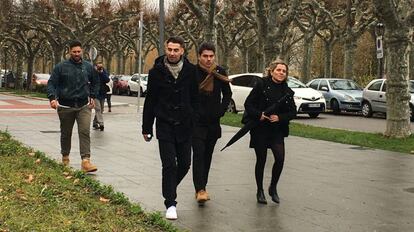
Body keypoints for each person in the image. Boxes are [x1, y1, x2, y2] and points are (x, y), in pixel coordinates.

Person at [142, 36, 199, 220]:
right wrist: (146, 127)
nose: (172, 53)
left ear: (182, 51)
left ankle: (169, 187)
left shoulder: (191, 71)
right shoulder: (156, 72)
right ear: (165, 49)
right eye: (170, 49)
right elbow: (150, 100)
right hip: (165, 124)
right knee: (169, 164)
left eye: (176, 50)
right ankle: (170, 203)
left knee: (184, 164)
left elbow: (195, 98)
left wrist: (194, 117)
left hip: (185, 125)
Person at [243, 59, 296, 204]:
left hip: (277, 130)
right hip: (260, 128)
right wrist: (259, 114)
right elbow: (248, 104)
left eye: (284, 71)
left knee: (280, 158)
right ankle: (259, 190)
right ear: (271, 71)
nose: (281, 73)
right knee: (261, 159)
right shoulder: (261, 84)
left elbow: (293, 112)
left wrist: (279, 117)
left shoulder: (287, 91)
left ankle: (273, 187)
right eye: (278, 70)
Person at [47, 40, 99, 173]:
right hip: (65, 106)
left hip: (83, 106)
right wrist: (52, 98)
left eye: (79, 51)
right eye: (74, 51)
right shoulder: (61, 67)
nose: (77, 54)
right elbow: (51, 83)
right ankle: (65, 157)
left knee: (84, 132)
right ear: (69, 52)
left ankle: (85, 161)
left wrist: (93, 96)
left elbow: (95, 82)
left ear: (82, 51)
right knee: (66, 134)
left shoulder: (88, 67)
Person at [192, 42, 232, 205]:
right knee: (199, 154)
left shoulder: (219, 72)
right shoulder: (192, 72)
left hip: (213, 122)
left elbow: (227, 94)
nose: (208, 59)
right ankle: (200, 189)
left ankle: (202, 187)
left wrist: (221, 110)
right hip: (196, 122)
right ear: (199, 56)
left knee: (207, 156)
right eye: (205, 56)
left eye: (211, 56)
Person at [92, 62, 110, 131]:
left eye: (101, 66)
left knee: (101, 109)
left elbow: (107, 80)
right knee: (98, 109)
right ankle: (101, 123)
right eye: (98, 66)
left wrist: (102, 73)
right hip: (95, 94)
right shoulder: (93, 72)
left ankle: (94, 122)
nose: (100, 68)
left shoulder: (103, 71)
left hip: (102, 93)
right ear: (95, 66)